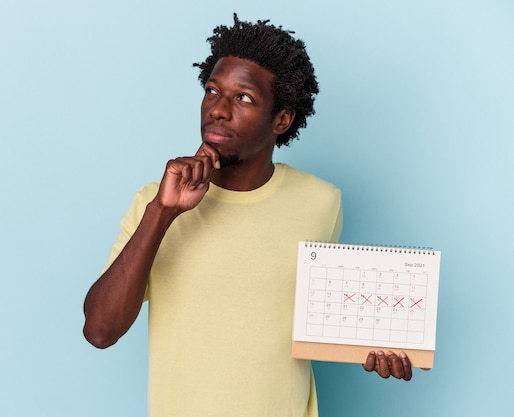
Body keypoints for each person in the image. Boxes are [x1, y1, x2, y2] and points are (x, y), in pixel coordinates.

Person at [83, 13, 414, 417]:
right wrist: (162, 213)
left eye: (243, 98)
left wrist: (379, 347)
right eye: (212, 91)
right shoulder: (155, 201)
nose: (218, 109)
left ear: (281, 119)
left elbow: (320, 316)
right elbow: (100, 331)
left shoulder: (321, 202)